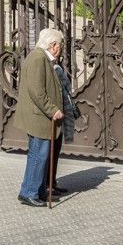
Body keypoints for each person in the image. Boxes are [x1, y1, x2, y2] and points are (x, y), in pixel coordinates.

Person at [16, 28, 65, 206]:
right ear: (53, 45)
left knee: (40, 155)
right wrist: (53, 110)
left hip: (41, 116)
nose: (61, 49)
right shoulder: (38, 58)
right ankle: (29, 192)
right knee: (39, 155)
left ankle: (37, 190)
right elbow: (37, 91)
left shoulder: (42, 58)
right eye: (60, 45)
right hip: (39, 117)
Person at [49, 60, 78, 195]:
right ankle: (47, 184)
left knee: (55, 151)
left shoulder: (57, 67)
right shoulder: (49, 68)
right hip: (52, 115)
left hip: (60, 113)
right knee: (48, 153)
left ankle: (52, 182)